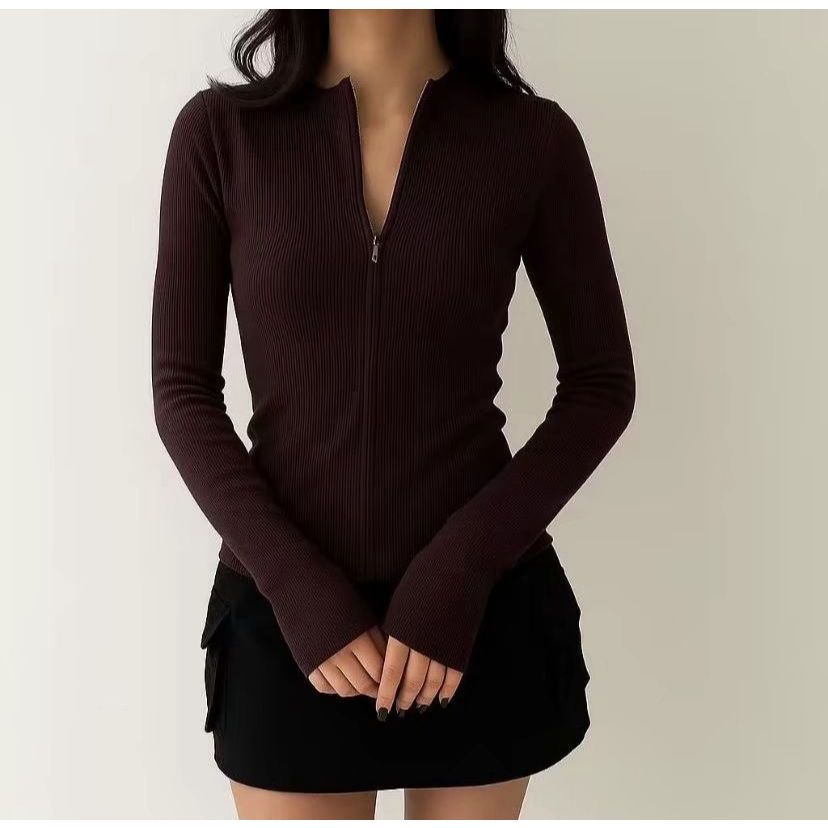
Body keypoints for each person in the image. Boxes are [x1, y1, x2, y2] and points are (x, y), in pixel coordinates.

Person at [151, 9, 635, 820]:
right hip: (287, 621)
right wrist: (296, 588)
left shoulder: (533, 140)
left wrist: (458, 573)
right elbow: (181, 392)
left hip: (479, 615)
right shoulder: (220, 134)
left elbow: (600, 385)